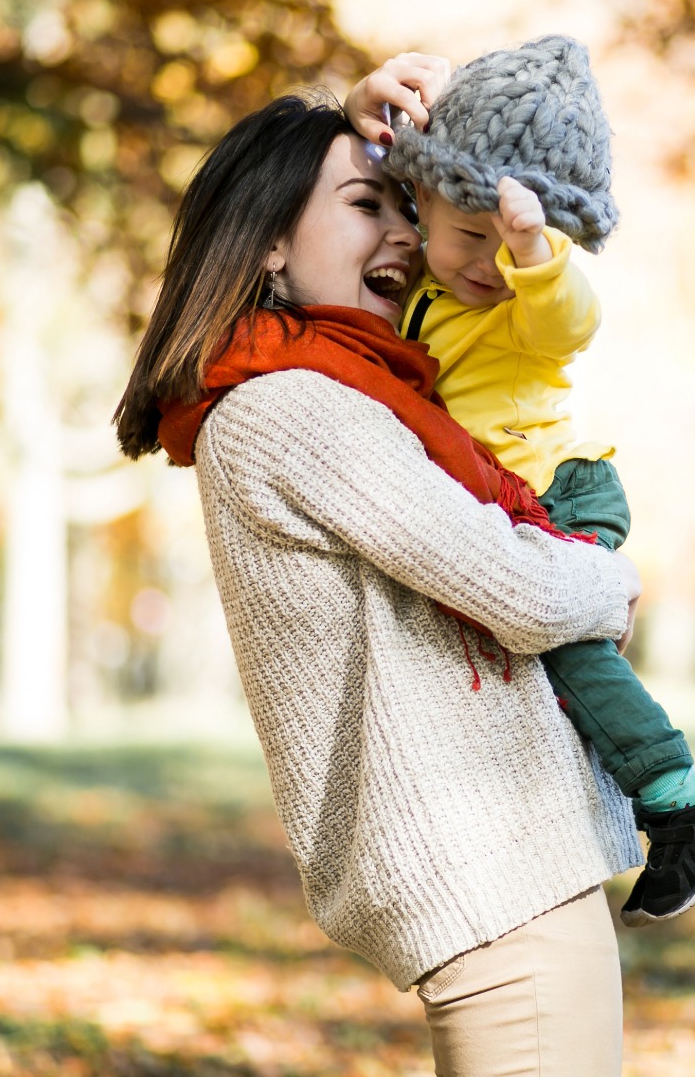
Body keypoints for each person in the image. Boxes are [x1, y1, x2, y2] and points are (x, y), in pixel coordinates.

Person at [114, 91, 642, 1075]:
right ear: (268, 239)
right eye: (372, 206)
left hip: (508, 885)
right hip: (497, 896)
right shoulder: (294, 407)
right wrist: (609, 579)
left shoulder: (341, 380)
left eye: (408, 208)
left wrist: (374, 112)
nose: (407, 235)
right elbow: (526, 593)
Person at [344, 38, 695, 927]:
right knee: (526, 650)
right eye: (471, 236)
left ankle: (683, 801)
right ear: (428, 202)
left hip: (561, 485)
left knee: (564, 642)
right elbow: (356, 191)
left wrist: (537, 252)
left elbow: (573, 321)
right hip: (507, 489)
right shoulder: (425, 272)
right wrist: (360, 111)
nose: (487, 263)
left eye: (516, 244)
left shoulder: (529, 303)